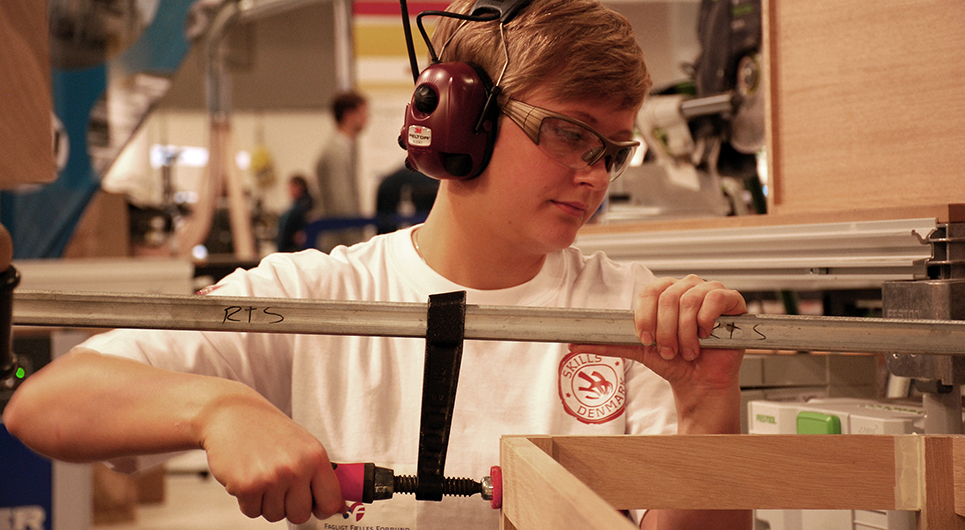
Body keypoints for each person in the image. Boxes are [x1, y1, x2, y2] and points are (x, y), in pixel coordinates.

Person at [3, 1, 751, 530]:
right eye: (568, 134)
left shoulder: (634, 314)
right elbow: (44, 404)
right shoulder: (316, 298)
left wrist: (707, 413)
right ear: (460, 122)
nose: (595, 175)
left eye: (613, 151)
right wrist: (218, 410)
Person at [312, 90, 369, 252]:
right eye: (363, 112)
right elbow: (341, 203)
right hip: (337, 244)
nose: (367, 118)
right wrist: (357, 246)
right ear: (349, 115)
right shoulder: (334, 152)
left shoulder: (344, 149)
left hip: (341, 242)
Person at [276, 174, 314, 252]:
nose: (289, 190)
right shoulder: (297, 206)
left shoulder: (301, 208)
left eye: (291, 187)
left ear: (299, 187)